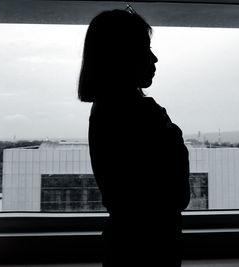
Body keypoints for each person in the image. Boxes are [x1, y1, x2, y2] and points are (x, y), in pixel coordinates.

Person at [78, 8, 190, 267]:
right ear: (121, 55)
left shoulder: (104, 110)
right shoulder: (139, 114)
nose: (155, 58)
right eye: (145, 48)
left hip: (125, 247)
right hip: (150, 251)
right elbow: (176, 195)